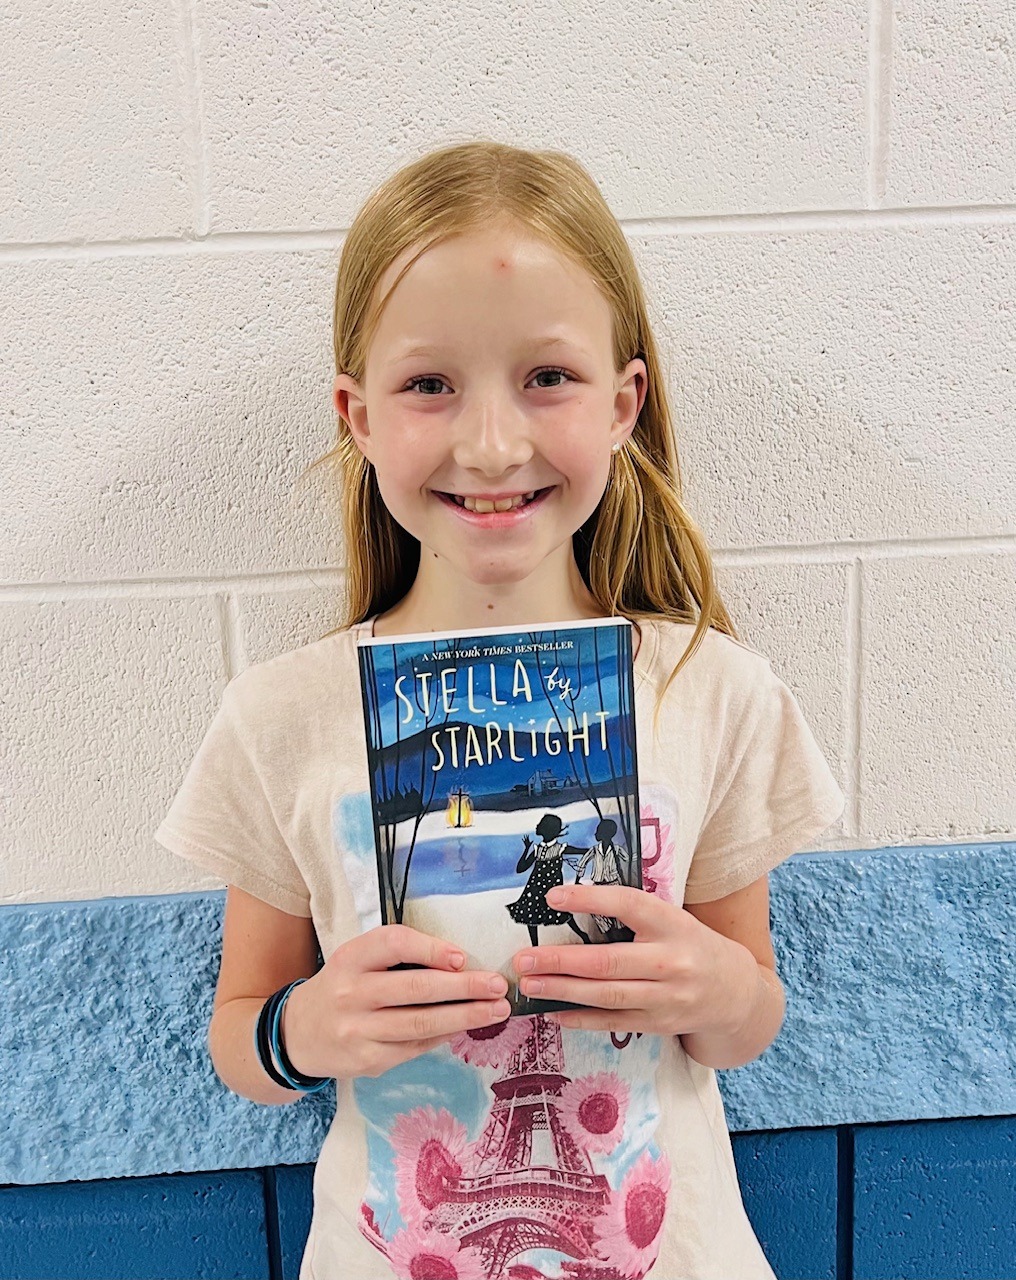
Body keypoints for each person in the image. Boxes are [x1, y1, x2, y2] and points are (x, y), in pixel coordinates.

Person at [154, 140, 845, 1280]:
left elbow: (747, 1015)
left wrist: (718, 991)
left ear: (625, 402)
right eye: (429, 383)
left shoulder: (710, 689)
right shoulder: (280, 715)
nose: (489, 442)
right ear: (358, 413)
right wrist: (301, 1029)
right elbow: (242, 1024)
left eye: (547, 377)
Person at [506, 812, 590, 946]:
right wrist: (526, 849)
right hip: (534, 888)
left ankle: (582, 935)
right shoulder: (537, 849)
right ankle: (535, 946)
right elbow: (520, 868)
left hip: (552, 888)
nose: (537, 826)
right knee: (530, 915)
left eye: (541, 824)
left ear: (547, 829)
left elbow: (583, 851)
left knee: (562, 913)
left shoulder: (560, 848)